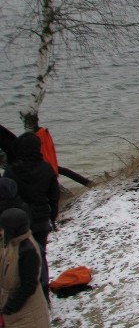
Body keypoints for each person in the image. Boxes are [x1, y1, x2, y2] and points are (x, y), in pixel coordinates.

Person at [3, 133, 59, 300]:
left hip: (17, 223)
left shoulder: (11, 171)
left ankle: (24, 293)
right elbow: (54, 198)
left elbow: (6, 198)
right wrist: (52, 219)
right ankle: (43, 293)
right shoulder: (47, 169)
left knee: (17, 259)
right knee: (40, 256)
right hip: (41, 220)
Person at [0, 208, 51, 327]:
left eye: (2, 228)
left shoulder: (27, 251)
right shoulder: (11, 242)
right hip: (14, 311)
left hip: (26, 314)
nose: (1, 231)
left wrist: (9, 308)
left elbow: (29, 286)